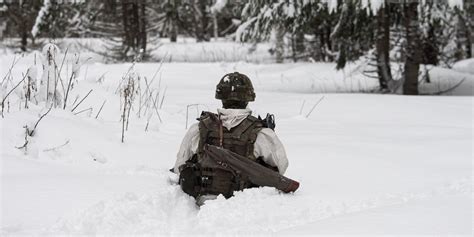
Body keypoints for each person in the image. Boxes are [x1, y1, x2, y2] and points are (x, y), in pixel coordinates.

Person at [173, 72, 289, 204]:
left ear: (220, 97)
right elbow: (280, 169)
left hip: (202, 203)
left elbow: (179, 167)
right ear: (248, 98)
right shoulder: (262, 134)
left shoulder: (198, 129)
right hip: (243, 206)